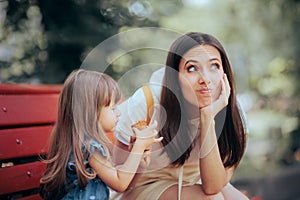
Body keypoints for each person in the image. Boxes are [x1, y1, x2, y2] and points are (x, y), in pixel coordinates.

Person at [113, 32, 249, 199]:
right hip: (144, 185)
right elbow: (119, 179)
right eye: (192, 68)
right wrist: (139, 154)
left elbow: (213, 186)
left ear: (224, 73)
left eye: (214, 66)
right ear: (175, 77)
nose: (205, 79)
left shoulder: (234, 113)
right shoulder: (146, 103)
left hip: (196, 182)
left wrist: (207, 118)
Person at [39, 69, 163, 200]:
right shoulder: (88, 147)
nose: (118, 113)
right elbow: (120, 183)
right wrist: (138, 147)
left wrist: (140, 163)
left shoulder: (85, 144)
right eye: (113, 108)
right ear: (92, 112)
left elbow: (120, 180)